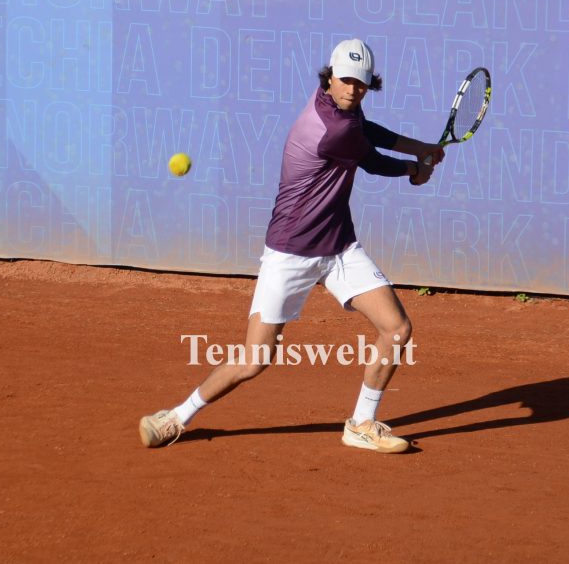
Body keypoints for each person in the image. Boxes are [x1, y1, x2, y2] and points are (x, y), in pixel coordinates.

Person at [139, 38, 444, 453]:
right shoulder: (331, 128)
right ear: (330, 77)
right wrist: (415, 168)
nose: (353, 90)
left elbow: (366, 130)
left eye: (361, 84)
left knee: (397, 328)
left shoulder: (340, 108)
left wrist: (419, 148)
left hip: (338, 246)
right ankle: (176, 417)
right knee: (255, 359)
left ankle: (361, 424)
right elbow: (371, 158)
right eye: (347, 81)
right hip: (292, 251)